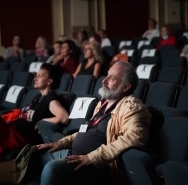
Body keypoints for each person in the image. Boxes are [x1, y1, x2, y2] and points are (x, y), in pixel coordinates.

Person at [23, 61, 151, 185]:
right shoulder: (103, 103)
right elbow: (86, 131)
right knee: (34, 154)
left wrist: (92, 157)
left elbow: (135, 137)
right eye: (107, 75)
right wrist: (61, 143)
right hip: (75, 155)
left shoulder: (132, 107)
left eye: (111, 78)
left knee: (53, 169)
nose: (104, 80)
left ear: (126, 87)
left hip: (98, 165)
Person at [0, 63, 69, 185]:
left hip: (20, 135)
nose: (35, 78)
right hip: (13, 129)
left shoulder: (50, 98)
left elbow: (63, 117)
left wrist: (42, 121)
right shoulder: (38, 97)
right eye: (36, 75)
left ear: (49, 81)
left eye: (40, 76)